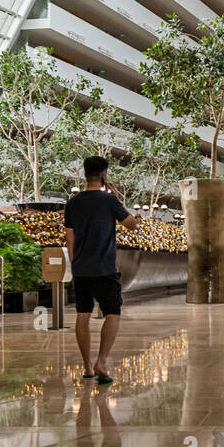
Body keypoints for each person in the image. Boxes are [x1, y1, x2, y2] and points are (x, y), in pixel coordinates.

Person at [64, 155, 137, 384]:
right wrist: (118, 199)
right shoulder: (109, 201)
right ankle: (102, 361)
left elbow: (69, 239)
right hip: (105, 268)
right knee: (113, 314)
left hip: (82, 269)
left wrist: (76, 265)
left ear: (85, 174)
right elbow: (132, 225)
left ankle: (87, 366)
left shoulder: (73, 202)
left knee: (82, 314)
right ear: (104, 174)